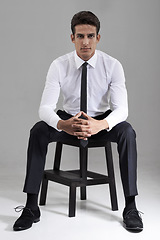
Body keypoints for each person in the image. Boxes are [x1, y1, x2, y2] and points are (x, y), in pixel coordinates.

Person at [13, 11, 143, 232]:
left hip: (100, 121)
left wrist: (99, 124)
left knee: (127, 132)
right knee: (38, 130)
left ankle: (130, 207)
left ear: (98, 38)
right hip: (69, 119)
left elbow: (122, 109)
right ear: (72, 37)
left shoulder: (112, 66)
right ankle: (31, 206)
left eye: (90, 36)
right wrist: (63, 124)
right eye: (80, 36)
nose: (85, 42)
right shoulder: (58, 65)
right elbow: (45, 108)